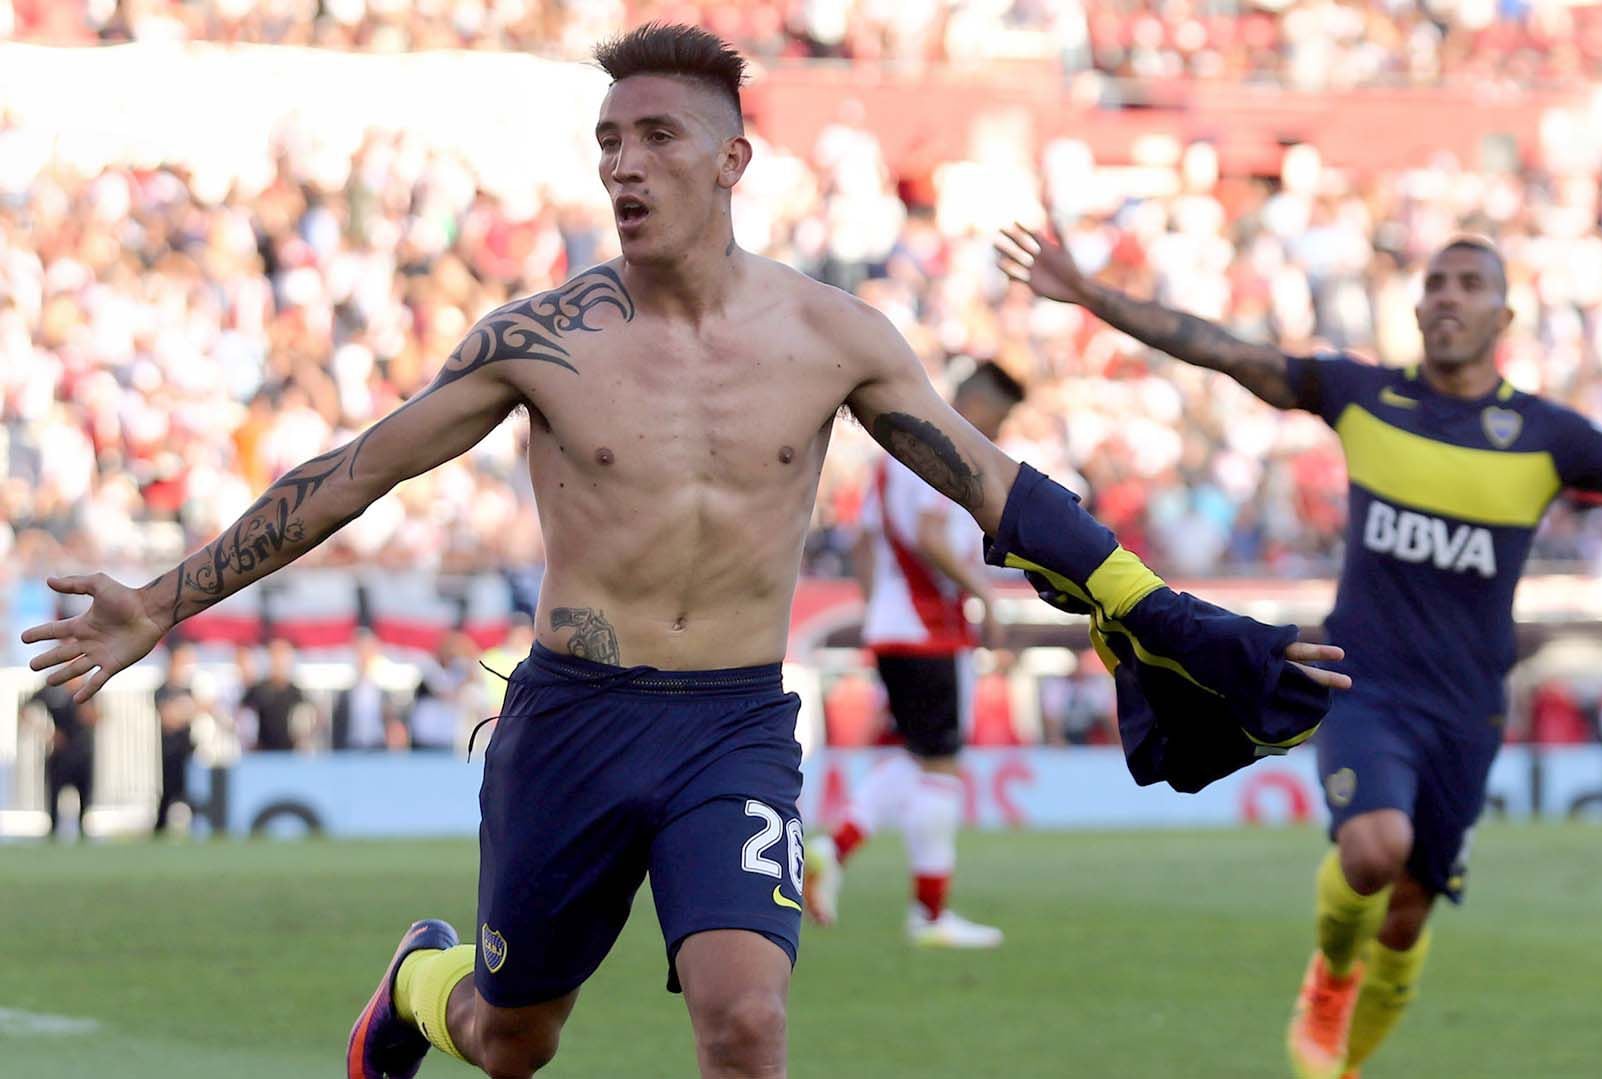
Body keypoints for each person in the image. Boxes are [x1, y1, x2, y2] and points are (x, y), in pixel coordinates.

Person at [19, 25, 1343, 1079]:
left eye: (656, 136)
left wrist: (1148, 602)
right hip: (573, 721)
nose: (624, 166)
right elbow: (355, 471)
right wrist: (160, 599)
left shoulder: (834, 334)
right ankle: (419, 978)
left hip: (733, 725)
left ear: (733, 161)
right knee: (511, 1037)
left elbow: (991, 483)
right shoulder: (538, 339)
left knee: (746, 1021)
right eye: (608, 142)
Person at [999, 226, 1602, 1079]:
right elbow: (1228, 351)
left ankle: (1344, 1061)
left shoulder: (1547, 436)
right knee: (1373, 852)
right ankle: (1328, 977)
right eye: (1435, 282)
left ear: (1504, 317)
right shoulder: (1363, 397)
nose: (1447, 297)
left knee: (1411, 912)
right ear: (1416, 306)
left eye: (1470, 284)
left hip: (1467, 706)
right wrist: (1088, 293)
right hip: (1365, 683)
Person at [803, 361, 1025, 949]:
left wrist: (879, 613)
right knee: (941, 764)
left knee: (920, 754)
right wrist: (983, 596)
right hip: (930, 630)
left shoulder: (889, 458)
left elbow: (866, 544)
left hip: (895, 628)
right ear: (977, 404)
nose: (999, 430)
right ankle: (930, 915)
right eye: (1000, 417)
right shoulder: (940, 452)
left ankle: (834, 848)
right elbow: (929, 536)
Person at [29, 680, 96, 841]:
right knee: (53, 799)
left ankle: (82, 835)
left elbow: (99, 716)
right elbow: (26, 708)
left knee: (85, 798)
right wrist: (45, 731)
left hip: (83, 753)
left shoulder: (90, 687)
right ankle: (52, 835)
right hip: (60, 755)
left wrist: (89, 714)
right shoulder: (53, 689)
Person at [153, 643, 203, 834]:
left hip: (187, 749)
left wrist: (182, 711)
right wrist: (184, 711)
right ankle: (160, 830)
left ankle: (196, 829)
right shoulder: (162, 689)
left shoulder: (188, 689)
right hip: (169, 751)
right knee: (168, 793)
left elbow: (196, 711)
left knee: (191, 791)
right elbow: (169, 719)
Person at [333, 629, 402, 752]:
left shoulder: (386, 688)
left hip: (378, 749)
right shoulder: (343, 689)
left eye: (367, 650)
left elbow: (395, 725)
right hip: (350, 750)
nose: (363, 655)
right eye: (360, 650)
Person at [239, 637, 308, 753]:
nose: (279, 660)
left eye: (283, 655)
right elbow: (242, 716)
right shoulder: (257, 690)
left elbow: (307, 720)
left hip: (290, 755)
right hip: (261, 755)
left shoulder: (296, 692)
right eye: (275, 654)